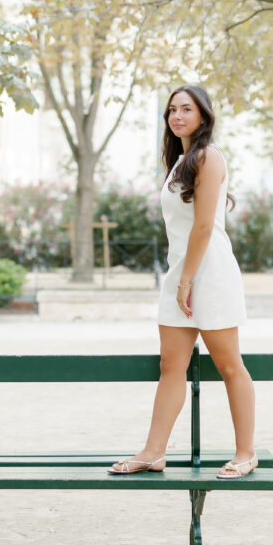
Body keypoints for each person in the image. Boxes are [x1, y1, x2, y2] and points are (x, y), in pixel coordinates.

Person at [108, 85, 257, 480]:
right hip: (182, 275)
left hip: (209, 275)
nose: (177, 116)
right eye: (172, 110)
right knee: (171, 366)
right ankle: (153, 452)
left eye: (186, 109)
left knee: (229, 365)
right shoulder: (180, 163)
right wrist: (181, 278)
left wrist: (186, 280)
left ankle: (246, 452)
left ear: (203, 116)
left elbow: (205, 226)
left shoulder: (209, 157)